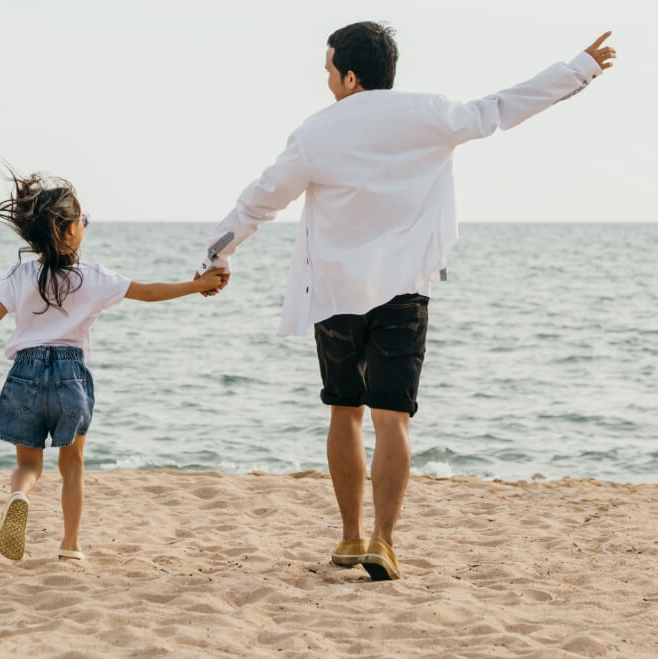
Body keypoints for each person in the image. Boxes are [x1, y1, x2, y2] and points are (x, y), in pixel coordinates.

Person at [196, 23, 618, 580]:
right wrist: (578, 69)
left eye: (328, 71)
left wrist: (217, 254)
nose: (326, 81)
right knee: (393, 420)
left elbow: (260, 199)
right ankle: (382, 542)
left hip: (335, 293)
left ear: (350, 75)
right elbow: (503, 108)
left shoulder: (316, 132)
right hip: (403, 290)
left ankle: (349, 538)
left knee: (344, 413)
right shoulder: (431, 114)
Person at [0, 168, 225, 562]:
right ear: (70, 231)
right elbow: (148, 292)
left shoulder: (20, 274)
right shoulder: (93, 277)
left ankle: (19, 495)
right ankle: (70, 545)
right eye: (84, 220)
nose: (85, 226)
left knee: (28, 463)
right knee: (73, 465)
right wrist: (197, 285)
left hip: (24, 372)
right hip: (70, 374)